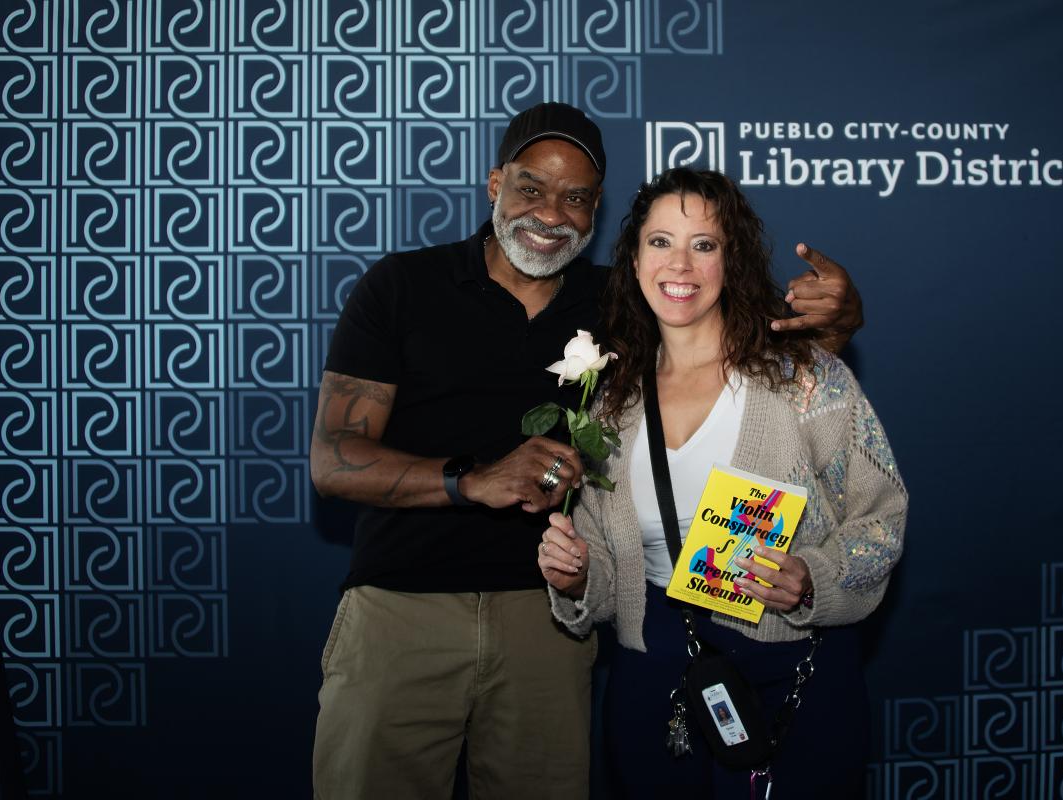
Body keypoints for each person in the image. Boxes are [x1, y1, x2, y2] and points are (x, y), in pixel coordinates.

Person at [310, 103, 865, 800]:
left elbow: (757, 370)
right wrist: (471, 481)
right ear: (494, 184)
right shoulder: (402, 287)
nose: (550, 213)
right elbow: (333, 460)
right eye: (531, 187)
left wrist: (842, 321)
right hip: (402, 608)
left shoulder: (623, 301)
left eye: (575, 197)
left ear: (597, 209)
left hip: (549, 621)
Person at [538, 168, 908, 798]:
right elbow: (606, 569)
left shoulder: (804, 379)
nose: (679, 264)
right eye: (660, 242)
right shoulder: (608, 406)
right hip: (653, 682)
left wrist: (812, 575)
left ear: (729, 260)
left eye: (703, 244)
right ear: (631, 260)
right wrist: (576, 575)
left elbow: (883, 519)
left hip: (793, 673)